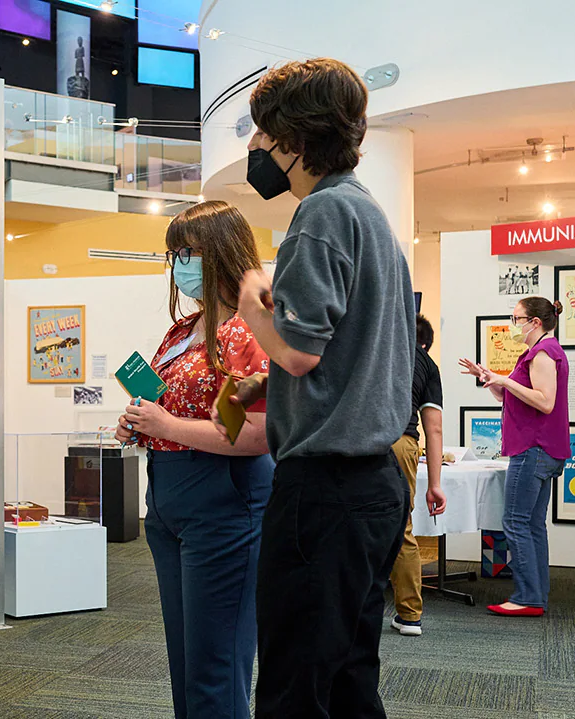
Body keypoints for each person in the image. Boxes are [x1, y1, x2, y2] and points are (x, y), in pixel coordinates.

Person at [219, 58, 415, 718]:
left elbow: (301, 354)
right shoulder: (367, 213)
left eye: (262, 132)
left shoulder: (323, 213)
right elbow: (337, 359)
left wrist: (250, 305)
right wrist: (265, 380)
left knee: (294, 684)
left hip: (325, 495)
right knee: (349, 677)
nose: (255, 148)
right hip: (373, 486)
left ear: (293, 138)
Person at [114, 201, 274, 719]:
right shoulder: (186, 328)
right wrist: (141, 420)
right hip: (168, 500)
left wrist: (167, 427)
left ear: (222, 252)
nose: (180, 263)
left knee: (215, 666)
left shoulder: (250, 331)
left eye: (190, 251)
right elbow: (165, 403)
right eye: (174, 253)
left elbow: (255, 435)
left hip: (223, 498)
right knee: (186, 660)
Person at [459, 298, 570, 617]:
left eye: (517, 319)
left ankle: (527, 596)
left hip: (533, 449)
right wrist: (490, 378)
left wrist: (505, 379)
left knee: (516, 521)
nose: (513, 325)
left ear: (535, 322)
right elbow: (515, 397)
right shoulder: (540, 353)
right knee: (532, 523)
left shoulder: (543, 354)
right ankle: (535, 594)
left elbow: (545, 402)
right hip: (540, 448)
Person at [389, 314, 448, 637]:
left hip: (361, 440)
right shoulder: (427, 364)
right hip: (402, 443)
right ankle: (410, 615)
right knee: (402, 528)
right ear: (425, 342)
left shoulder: (374, 345)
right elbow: (434, 428)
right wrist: (435, 484)